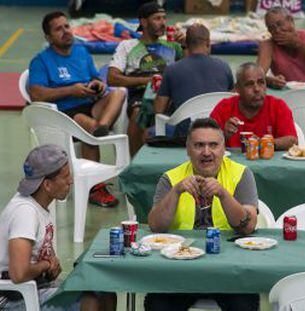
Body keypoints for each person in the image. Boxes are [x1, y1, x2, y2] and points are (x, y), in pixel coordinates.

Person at [146, 118, 259, 310]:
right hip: (179, 269)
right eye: (199, 145)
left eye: (213, 145)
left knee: (245, 305)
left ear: (223, 149)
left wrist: (224, 195)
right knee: (157, 304)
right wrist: (176, 191)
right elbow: (156, 227)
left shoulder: (241, 174)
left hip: (230, 270)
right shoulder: (171, 178)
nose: (207, 152)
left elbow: (248, 226)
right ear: (188, 149)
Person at [0, 145, 116, 310]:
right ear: (47, 185)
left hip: (36, 287)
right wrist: (45, 265)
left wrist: (51, 267)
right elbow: (18, 274)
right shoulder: (25, 213)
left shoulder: (39, 206)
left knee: (104, 291)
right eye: (66, 176)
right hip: (12, 299)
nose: (71, 181)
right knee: (91, 301)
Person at [28, 11, 123, 207]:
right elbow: (36, 94)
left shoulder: (82, 52)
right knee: (82, 121)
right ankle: (96, 187)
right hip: (62, 113)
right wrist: (71, 90)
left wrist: (98, 85)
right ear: (48, 37)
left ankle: (102, 126)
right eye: (58, 29)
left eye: (66, 26)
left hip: (89, 103)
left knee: (118, 93)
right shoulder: (41, 61)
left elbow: (96, 77)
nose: (65, 31)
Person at [107, 1, 184, 154]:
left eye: (164, 18)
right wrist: (147, 81)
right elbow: (112, 78)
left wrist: (185, 44)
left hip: (168, 94)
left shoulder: (173, 45)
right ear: (143, 22)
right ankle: (135, 163)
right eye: (157, 18)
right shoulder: (127, 46)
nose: (163, 23)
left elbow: (190, 69)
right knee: (138, 112)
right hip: (140, 94)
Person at [154, 23, 234, 136]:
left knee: (148, 133)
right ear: (208, 43)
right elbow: (231, 100)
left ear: (186, 44)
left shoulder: (172, 70)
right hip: (218, 133)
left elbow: (159, 109)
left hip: (185, 136)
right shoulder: (224, 67)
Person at [210, 62, 297, 149]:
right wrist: (224, 136)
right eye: (249, 84)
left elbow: (292, 141)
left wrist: (264, 143)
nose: (257, 89)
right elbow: (207, 142)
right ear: (237, 88)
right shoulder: (224, 107)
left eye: (261, 82)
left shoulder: (277, 106)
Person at [257, 6, 305, 89]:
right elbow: (256, 76)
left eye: (280, 24)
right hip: (290, 94)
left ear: (290, 20)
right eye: (271, 28)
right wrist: (270, 81)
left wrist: (297, 43)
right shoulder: (268, 45)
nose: (277, 30)